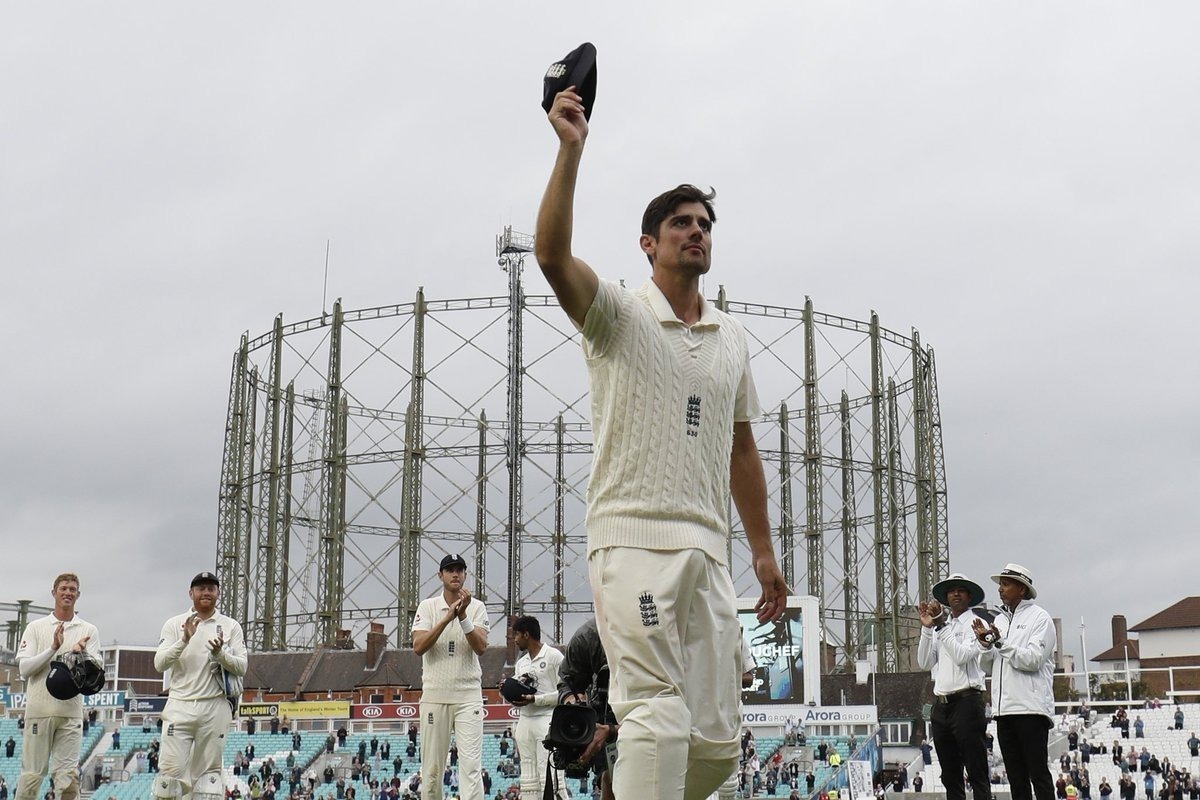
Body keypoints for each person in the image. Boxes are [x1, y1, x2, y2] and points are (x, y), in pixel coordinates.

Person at [535, 76, 788, 800]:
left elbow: (742, 450)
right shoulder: (617, 314)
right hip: (633, 540)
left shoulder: (731, 337)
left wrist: (762, 553)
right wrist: (570, 149)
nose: (697, 230)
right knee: (656, 714)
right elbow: (552, 256)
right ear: (649, 244)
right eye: (681, 222)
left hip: (708, 550)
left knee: (711, 745)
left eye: (704, 222)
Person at [152, 571, 248, 800]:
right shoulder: (175, 624)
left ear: (218, 593)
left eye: (211, 588)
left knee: (208, 784)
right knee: (168, 781)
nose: (206, 592)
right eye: (201, 588)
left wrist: (220, 654)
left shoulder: (230, 626)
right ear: (190, 593)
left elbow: (242, 667)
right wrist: (184, 640)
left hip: (214, 706)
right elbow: (159, 663)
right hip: (180, 704)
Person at [14, 573, 101, 800]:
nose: (68, 593)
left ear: (78, 595)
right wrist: (53, 648)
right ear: (54, 592)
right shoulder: (36, 627)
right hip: (39, 712)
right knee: (31, 778)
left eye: (73, 589)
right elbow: (24, 670)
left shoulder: (89, 630)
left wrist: (82, 655)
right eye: (63, 588)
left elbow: (95, 675)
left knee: (69, 779)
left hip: (70, 714)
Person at [974, 563, 1056, 800]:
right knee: (1016, 777)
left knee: (1038, 774)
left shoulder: (1040, 618)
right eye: (1000, 584)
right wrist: (985, 645)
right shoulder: (999, 621)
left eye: (1006, 584)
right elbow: (988, 666)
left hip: (1030, 708)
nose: (1000, 589)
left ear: (1022, 589)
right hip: (1004, 710)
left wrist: (999, 643)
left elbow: (1033, 660)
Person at [412, 553, 489, 800]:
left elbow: (481, 647)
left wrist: (463, 616)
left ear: (465, 574)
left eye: (460, 570)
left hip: (468, 697)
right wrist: (448, 617)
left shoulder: (477, 607)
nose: (455, 574)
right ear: (441, 575)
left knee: (471, 769)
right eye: (450, 570)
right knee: (432, 770)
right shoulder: (428, 607)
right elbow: (418, 646)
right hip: (435, 696)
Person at [917, 573, 992, 800]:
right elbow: (924, 662)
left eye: (961, 590)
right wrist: (928, 630)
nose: (955, 594)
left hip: (967, 701)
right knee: (950, 774)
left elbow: (962, 656)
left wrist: (940, 627)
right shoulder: (944, 626)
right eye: (951, 591)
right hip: (942, 705)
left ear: (970, 596)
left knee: (976, 768)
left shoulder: (977, 624)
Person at [502, 615, 565, 800]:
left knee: (551, 777)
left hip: (547, 720)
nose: (515, 639)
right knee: (528, 779)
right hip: (524, 721)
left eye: (517, 635)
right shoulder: (521, 663)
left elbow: (564, 693)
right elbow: (519, 695)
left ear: (526, 634)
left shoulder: (554, 656)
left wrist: (535, 700)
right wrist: (507, 691)